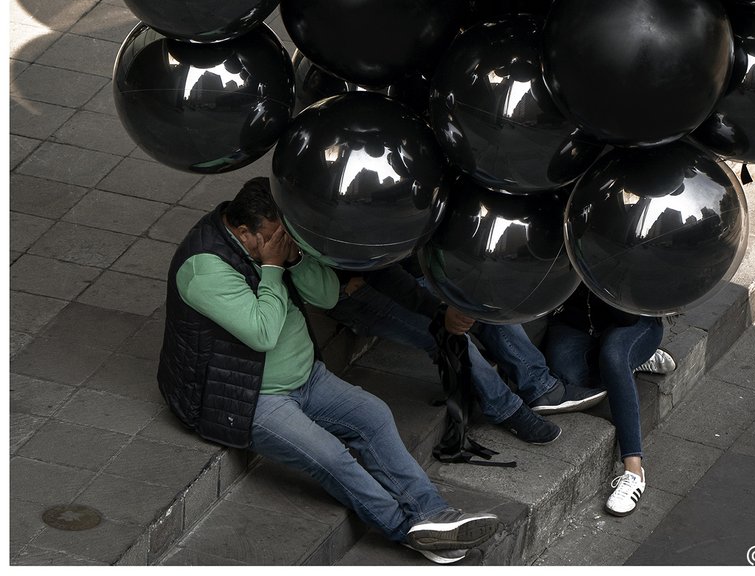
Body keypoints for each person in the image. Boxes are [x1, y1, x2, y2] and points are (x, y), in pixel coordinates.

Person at [157, 177, 500, 564]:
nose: (282, 244)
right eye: (273, 238)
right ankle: (409, 533)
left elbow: (326, 295)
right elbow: (262, 333)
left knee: (373, 415)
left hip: (307, 377)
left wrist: (296, 260)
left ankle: (435, 513)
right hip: (247, 396)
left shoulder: (276, 241)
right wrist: (273, 268)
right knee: (332, 458)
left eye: (287, 237)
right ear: (242, 232)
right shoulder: (204, 268)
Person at [325, 259, 608, 446]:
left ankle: (541, 386)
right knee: (444, 332)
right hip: (355, 291)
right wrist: (439, 310)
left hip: (403, 272)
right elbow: (381, 272)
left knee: (480, 299)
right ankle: (505, 408)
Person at [543, 284, 676, 517]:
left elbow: (629, 315)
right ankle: (629, 362)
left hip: (631, 321)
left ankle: (634, 471)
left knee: (614, 357)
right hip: (578, 323)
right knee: (570, 374)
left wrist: (602, 275)